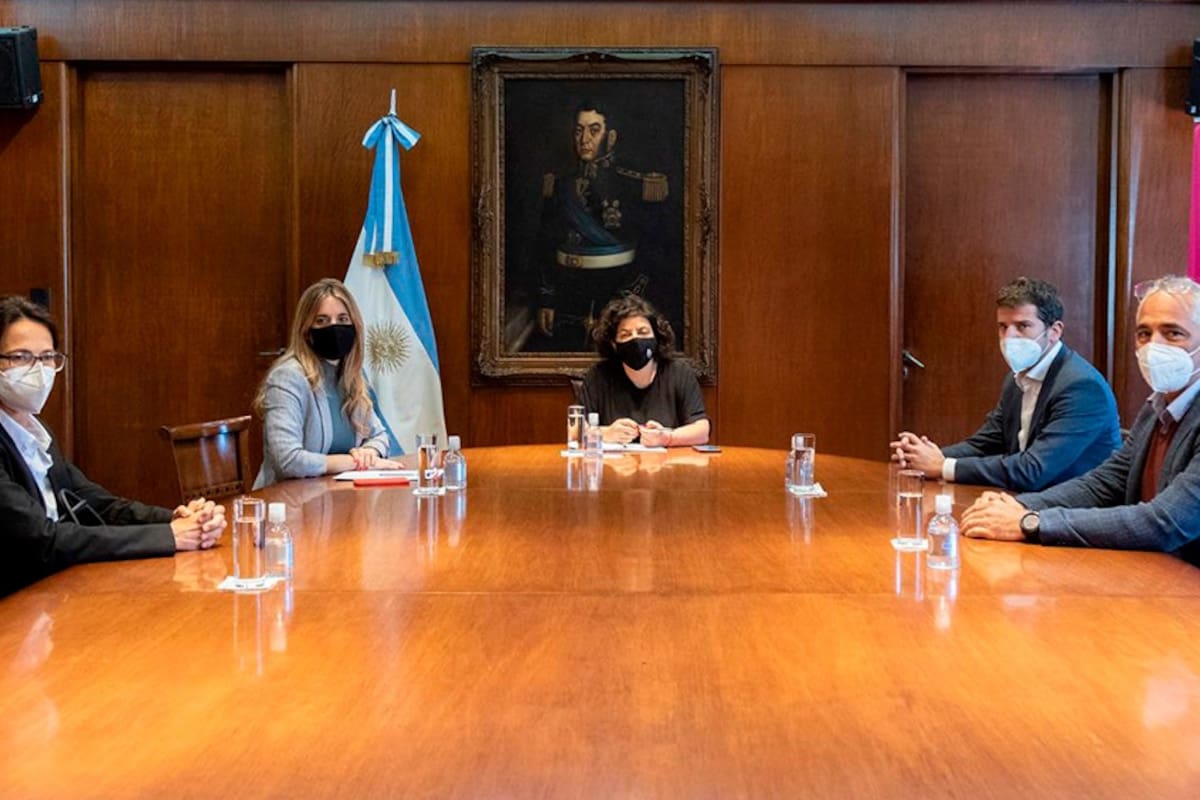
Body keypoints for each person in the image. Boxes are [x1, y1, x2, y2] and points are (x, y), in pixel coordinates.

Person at [961, 275, 1200, 565]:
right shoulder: (1157, 406)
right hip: (1154, 574)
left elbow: (1166, 521)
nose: (1153, 346)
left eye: (1173, 333)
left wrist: (1033, 522)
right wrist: (1018, 505)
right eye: (1144, 334)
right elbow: (1106, 481)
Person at [0, 296, 225, 596]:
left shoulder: (35, 430)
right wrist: (168, 536)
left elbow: (96, 503)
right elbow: (42, 540)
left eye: (47, 358)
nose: (38, 371)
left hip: (57, 590)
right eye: (21, 357)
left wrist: (175, 518)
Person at [891, 277, 1120, 492]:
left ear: (1054, 331)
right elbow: (986, 443)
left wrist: (943, 466)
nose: (1009, 337)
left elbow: (1033, 469)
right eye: (1003, 327)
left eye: (1022, 326)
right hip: (1026, 501)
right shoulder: (1016, 378)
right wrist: (925, 456)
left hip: (1073, 515)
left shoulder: (1082, 387)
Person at [528, 100, 672, 352]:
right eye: (579, 130)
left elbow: (653, 251)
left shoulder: (635, 186)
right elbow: (546, 245)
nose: (584, 139)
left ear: (611, 137)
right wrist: (547, 298)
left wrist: (627, 301)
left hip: (617, 291)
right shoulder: (559, 186)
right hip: (568, 295)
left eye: (594, 130)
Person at [253, 278, 399, 488]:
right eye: (321, 321)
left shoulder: (350, 376)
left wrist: (369, 453)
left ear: (355, 326)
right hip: (288, 504)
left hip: (338, 499)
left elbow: (380, 435)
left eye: (342, 319)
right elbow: (288, 460)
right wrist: (351, 462)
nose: (334, 328)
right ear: (306, 330)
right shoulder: (288, 377)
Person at [580, 294, 709, 447]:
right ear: (614, 344)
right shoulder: (598, 376)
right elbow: (576, 429)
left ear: (656, 337)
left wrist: (668, 437)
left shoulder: (679, 373)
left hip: (666, 467)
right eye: (625, 335)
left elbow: (702, 431)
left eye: (643, 332)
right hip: (614, 467)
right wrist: (604, 433)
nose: (635, 340)